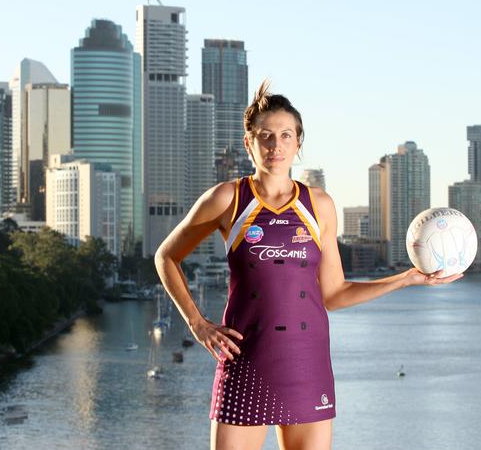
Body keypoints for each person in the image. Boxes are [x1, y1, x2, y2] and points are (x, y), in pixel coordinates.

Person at [153, 80, 463, 450]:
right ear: (248, 142)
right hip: (245, 359)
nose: (275, 145)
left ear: (299, 143)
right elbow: (166, 256)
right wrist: (197, 324)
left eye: (286, 135)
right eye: (265, 135)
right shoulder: (227, 199)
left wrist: (406, 279)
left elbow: (334, 293)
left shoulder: (319, 205)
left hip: (307, 362)